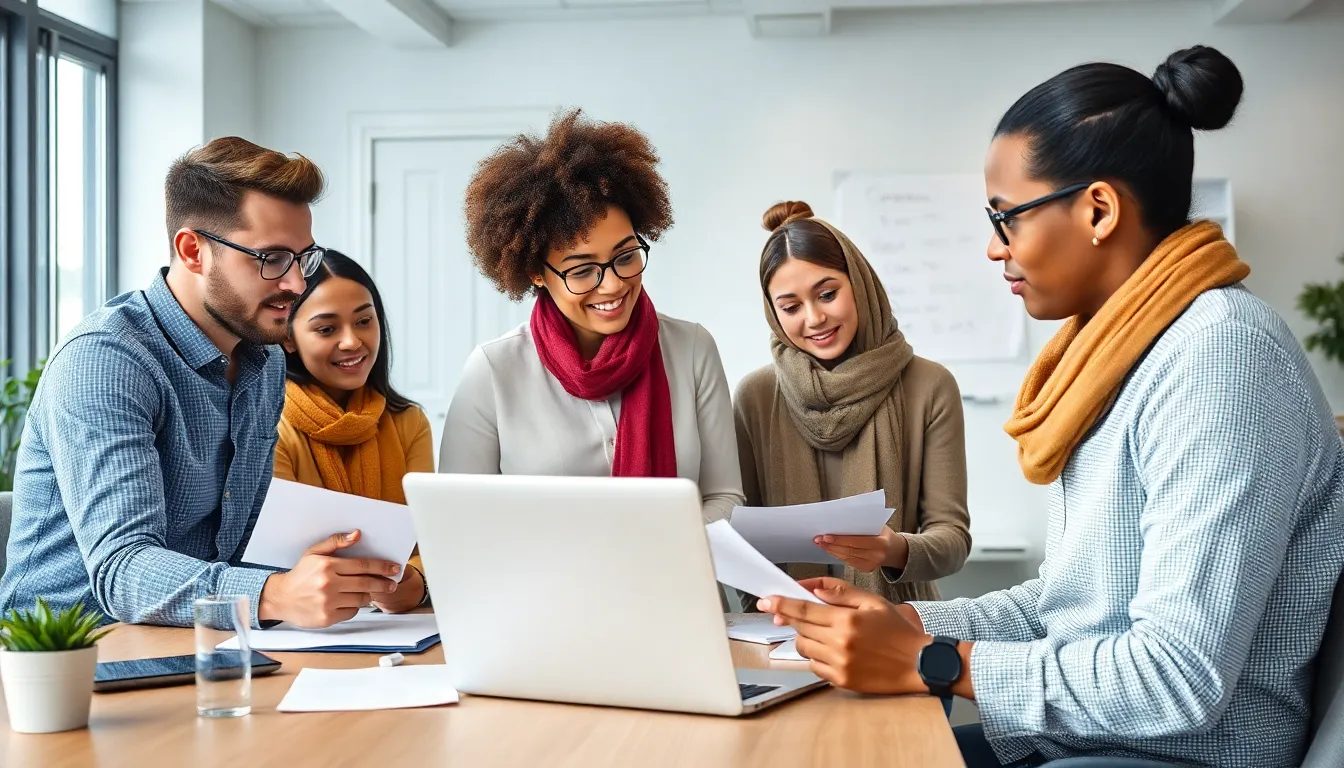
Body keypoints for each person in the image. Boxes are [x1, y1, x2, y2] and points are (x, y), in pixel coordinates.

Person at [757, 45, 1344, 768]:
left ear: (1098, 210)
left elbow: (1178, 677)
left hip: (1175, 757)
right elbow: (1069, 607)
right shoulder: (1125, 353)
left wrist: (932, 661)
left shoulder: (1221, 358)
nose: (994, 248)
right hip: (1094, 741)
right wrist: (903, 620)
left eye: (1007, 217)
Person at [0, 137, 402, 629]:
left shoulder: (263, 360)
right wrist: (274, 594)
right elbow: (122, 571)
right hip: (73, 650)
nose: (297, 283)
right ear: (193, 251)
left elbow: (239, 542)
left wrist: (335, 574)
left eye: (303, 258)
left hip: (197, 637)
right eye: (272, 258)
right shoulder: (106, 360)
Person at [442, 109, 744, 522]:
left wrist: (659, 549)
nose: (614, 284)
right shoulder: (493, 370)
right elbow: (460, 518)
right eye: (583, 270)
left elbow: (725, 497)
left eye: (626, 256)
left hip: (674, 565)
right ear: (536, 273)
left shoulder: (691, 349)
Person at [734, 200, 970, 603]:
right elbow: (744, 542)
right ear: (773, 313)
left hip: (897, 620)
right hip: (785, 626)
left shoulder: (930, 385)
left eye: (827, 294)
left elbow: (953, 541)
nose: (814, 318)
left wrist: (892, 549)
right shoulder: (754, 397)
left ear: (859, 284)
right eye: (791, 307)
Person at [275, 249, 433, 613]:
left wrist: (417, 582)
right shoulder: (270, 425)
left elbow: (430, 541)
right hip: (300, 621)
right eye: (327, 329)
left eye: (364, 321)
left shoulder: (409, 422)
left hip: (398, 627)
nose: (352, 341)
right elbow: (278, 557)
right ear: (288, 337)